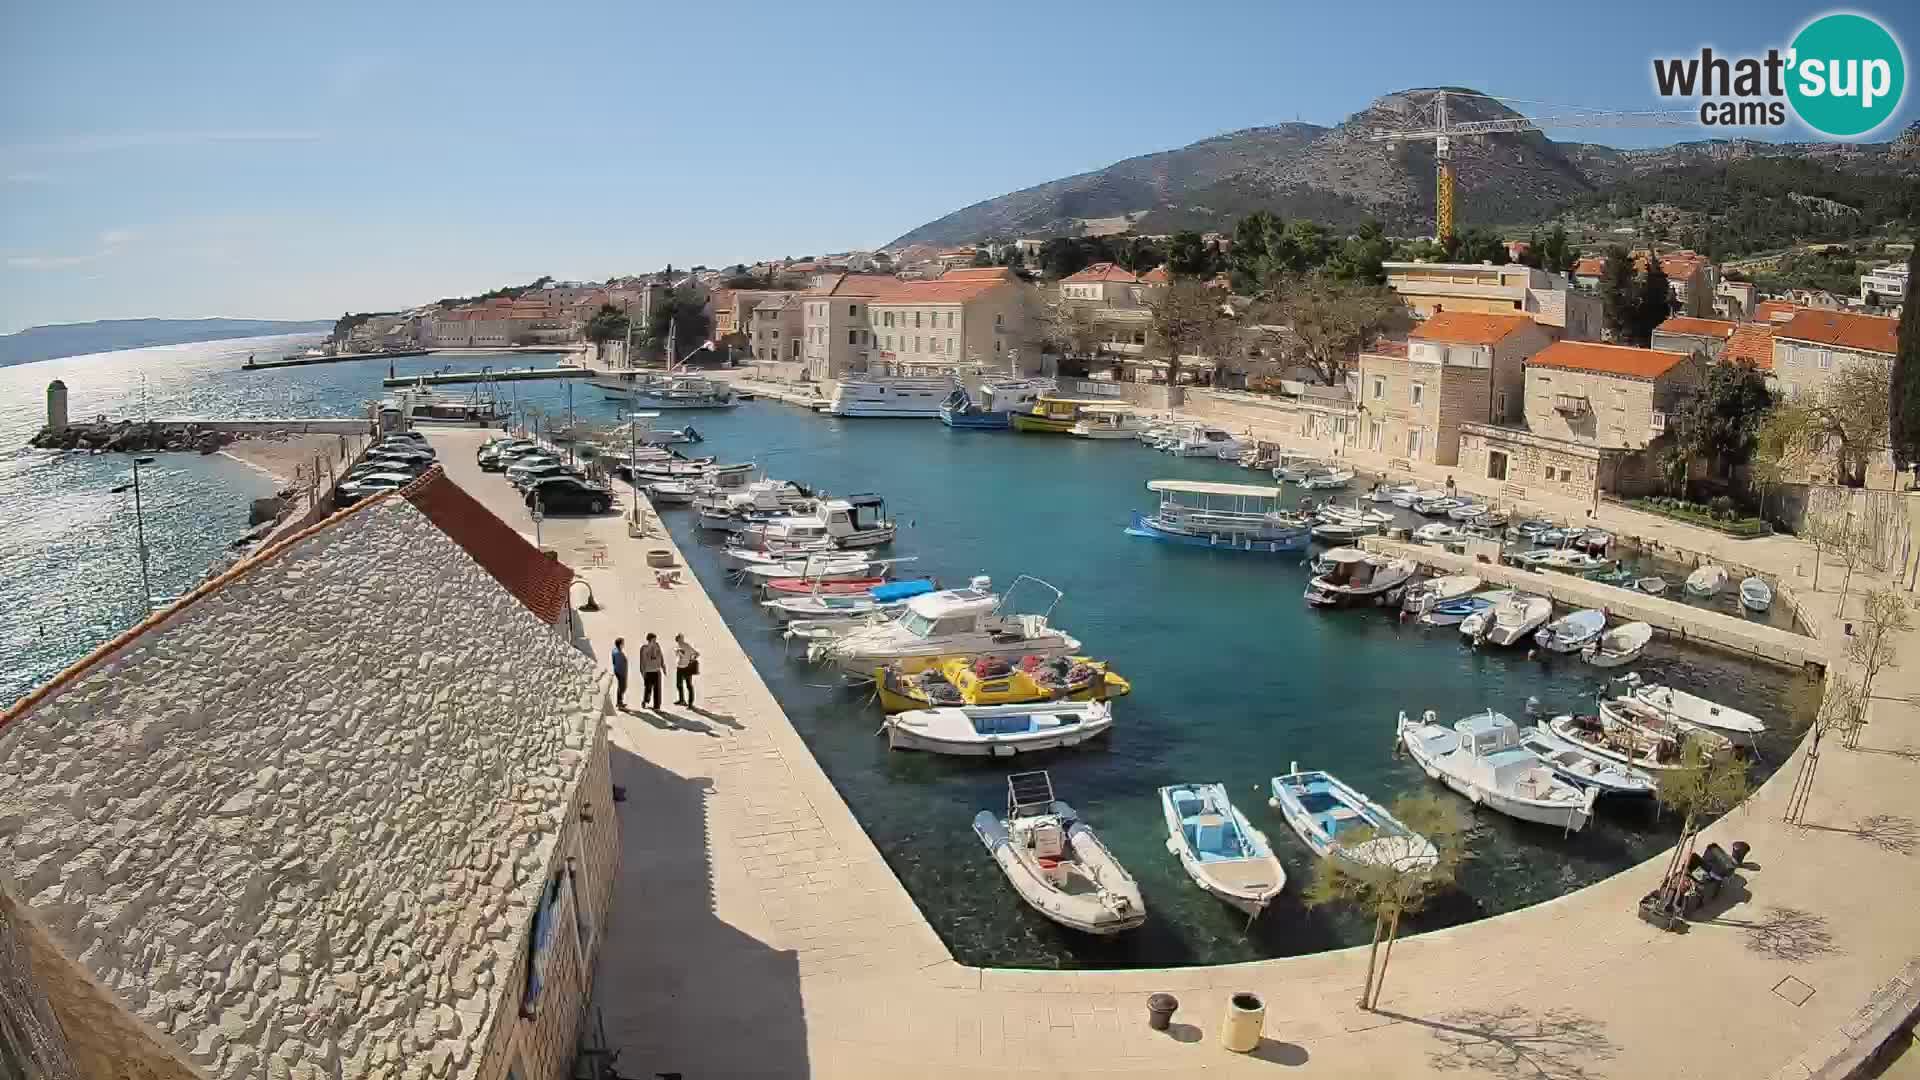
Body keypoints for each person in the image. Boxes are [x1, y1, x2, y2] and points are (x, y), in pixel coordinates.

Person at [638, 633, 665, 710]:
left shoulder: (657, 645)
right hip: (648, 671)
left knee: (657, 689)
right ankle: (645, 701)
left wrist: (663, 666)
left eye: (655, 639)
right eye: (653, 640)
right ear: (649, 640)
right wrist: (642, 671)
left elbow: (661, 656)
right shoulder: (644, 648)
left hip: (657, 671)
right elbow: (642, 660)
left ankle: (657, 706)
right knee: (648, 689)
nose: (655, 641)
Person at [674, 633, 701, 708]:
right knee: (679, 685)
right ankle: (681, 700)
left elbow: (697, 653)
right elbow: (678, 655)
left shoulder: (687, 646)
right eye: (679, 638)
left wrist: (692, 659)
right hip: (679, 667)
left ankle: (690, 703)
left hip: (687, 668)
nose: (679, 639)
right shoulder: (677, 646)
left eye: (680, 638)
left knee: (689, 685)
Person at [611, 637, 629, 710]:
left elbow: (614, 662)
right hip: (621, 672)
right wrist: (623, 674)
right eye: (623, 643)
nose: (624, 644)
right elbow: (620, 664)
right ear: (620, 644)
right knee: (622, 688)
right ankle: (619, 704)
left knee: (621, 687)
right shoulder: (619, 653)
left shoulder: (615, 650)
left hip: (618, 671)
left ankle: (619, 702)